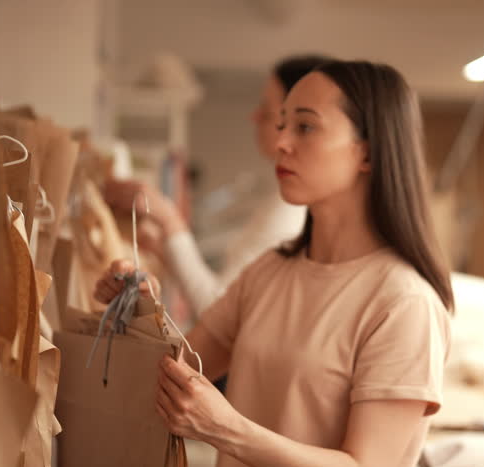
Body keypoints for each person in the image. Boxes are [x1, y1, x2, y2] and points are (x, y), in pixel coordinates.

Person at [95, 60, 454, 467]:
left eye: (305, 127)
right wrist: (139, 310)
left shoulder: (404, 303)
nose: (281, 142)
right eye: (282, 124)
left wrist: (227, 430)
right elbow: (174, 374)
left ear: (369, 152)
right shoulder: (270, 271)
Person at [103, 55, 333, 316]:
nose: (255, 117)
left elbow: (217, 308)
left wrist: (169, 220)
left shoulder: (291, 210)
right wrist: (163, 246)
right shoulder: (284, 202)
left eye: (267, 110)